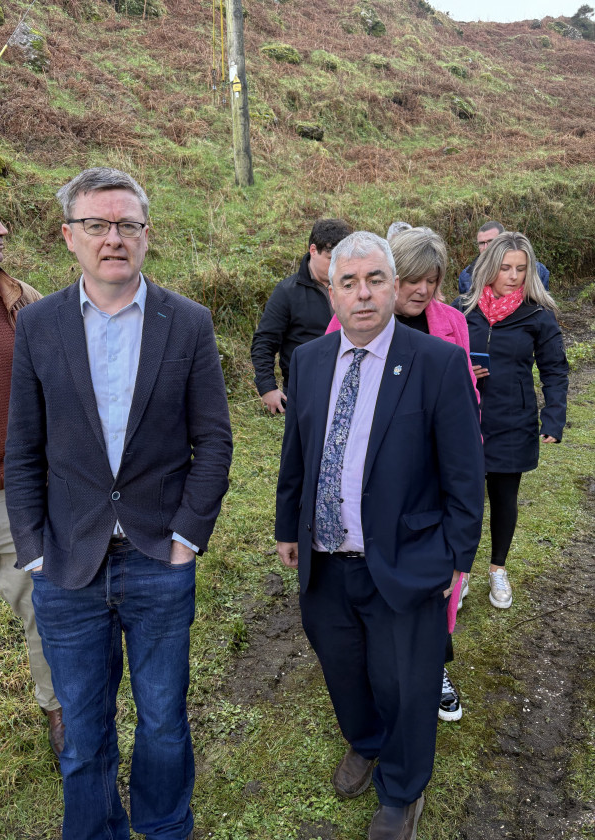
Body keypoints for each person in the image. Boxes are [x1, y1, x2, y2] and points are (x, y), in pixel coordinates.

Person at [4, 168, 233, 840]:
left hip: (158, 559)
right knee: (82, 729)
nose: (113, 239)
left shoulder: (187, 322)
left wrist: (187, 537)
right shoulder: (38, 325)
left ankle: (164, 827)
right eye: (97, 225)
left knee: (164, 718)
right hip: (67, 566)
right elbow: (22, 449)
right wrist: (35, 550)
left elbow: (213, 440)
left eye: (127, 225)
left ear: (146, 236)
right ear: (69, 236)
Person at [276, 231, 484, 840]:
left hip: (405, 559)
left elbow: (465, 473)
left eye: (375, 281)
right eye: (349, 283)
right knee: (342, 667)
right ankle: (365, 742)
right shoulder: (310, 361)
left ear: (395, 288)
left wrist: (455, 556)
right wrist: (288, 524)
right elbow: (297, 454)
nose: (363, 294)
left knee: (407, 681)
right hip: (324, 557)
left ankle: (402, 785)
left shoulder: (436, 364)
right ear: (331, 291)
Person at [326, 226, 477, 723]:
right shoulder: (353, 325)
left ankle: (434, 668)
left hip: (433, 477)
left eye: (432, 281)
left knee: (432, 592)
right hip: (378, 489)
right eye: (414, 279)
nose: (422, 291)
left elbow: (464, 393)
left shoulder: (450, 325)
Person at [0, 172, 63, 805]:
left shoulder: (18, 298)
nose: (3, 228)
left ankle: (64, 720)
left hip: (22, 497)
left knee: (52, 619)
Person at [454, 231, 568, 609]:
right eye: (505, 268)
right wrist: (463, 371)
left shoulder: (537, 313)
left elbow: (554, 368)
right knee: (465, 499)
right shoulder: (463, 309)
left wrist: (554, 416)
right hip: (464, 419)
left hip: (513, 420)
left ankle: (497, 570)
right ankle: (461, 572)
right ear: (489, 267)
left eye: (521, 268)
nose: (514, 275)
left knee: (504, 498)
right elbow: (437, 355)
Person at [251, 218, 352, 414]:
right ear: (313, 250)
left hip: (350, 386)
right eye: (332, 259)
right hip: (304, 393)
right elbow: (264, 341)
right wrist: (267, 387)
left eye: (344, 260)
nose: (339, 267)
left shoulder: (353, 287)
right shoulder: (287, 292)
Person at [458, 221, 550, 294]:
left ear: (504, 240)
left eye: (491, 241)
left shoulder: (538, 271)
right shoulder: (466, 276)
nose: (486, 247)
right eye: (482, 243)